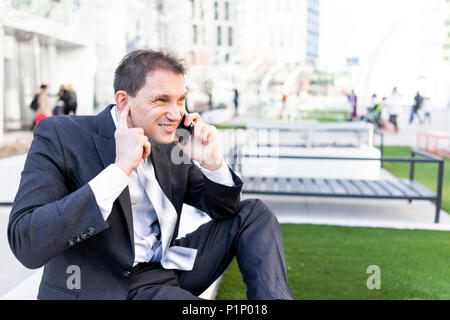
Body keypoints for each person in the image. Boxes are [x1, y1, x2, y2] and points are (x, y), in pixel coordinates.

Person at [8, 49, 293, 300]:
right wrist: (119, 170)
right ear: (123, 101)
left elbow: (224, 210)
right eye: (161, 100)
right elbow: (26, 242)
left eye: (181, 100)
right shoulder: (62, 135)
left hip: (168, 269)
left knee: (254, 213)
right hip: (104, 284)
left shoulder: (172, 141)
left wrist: (213, 164)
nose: (176, 113)